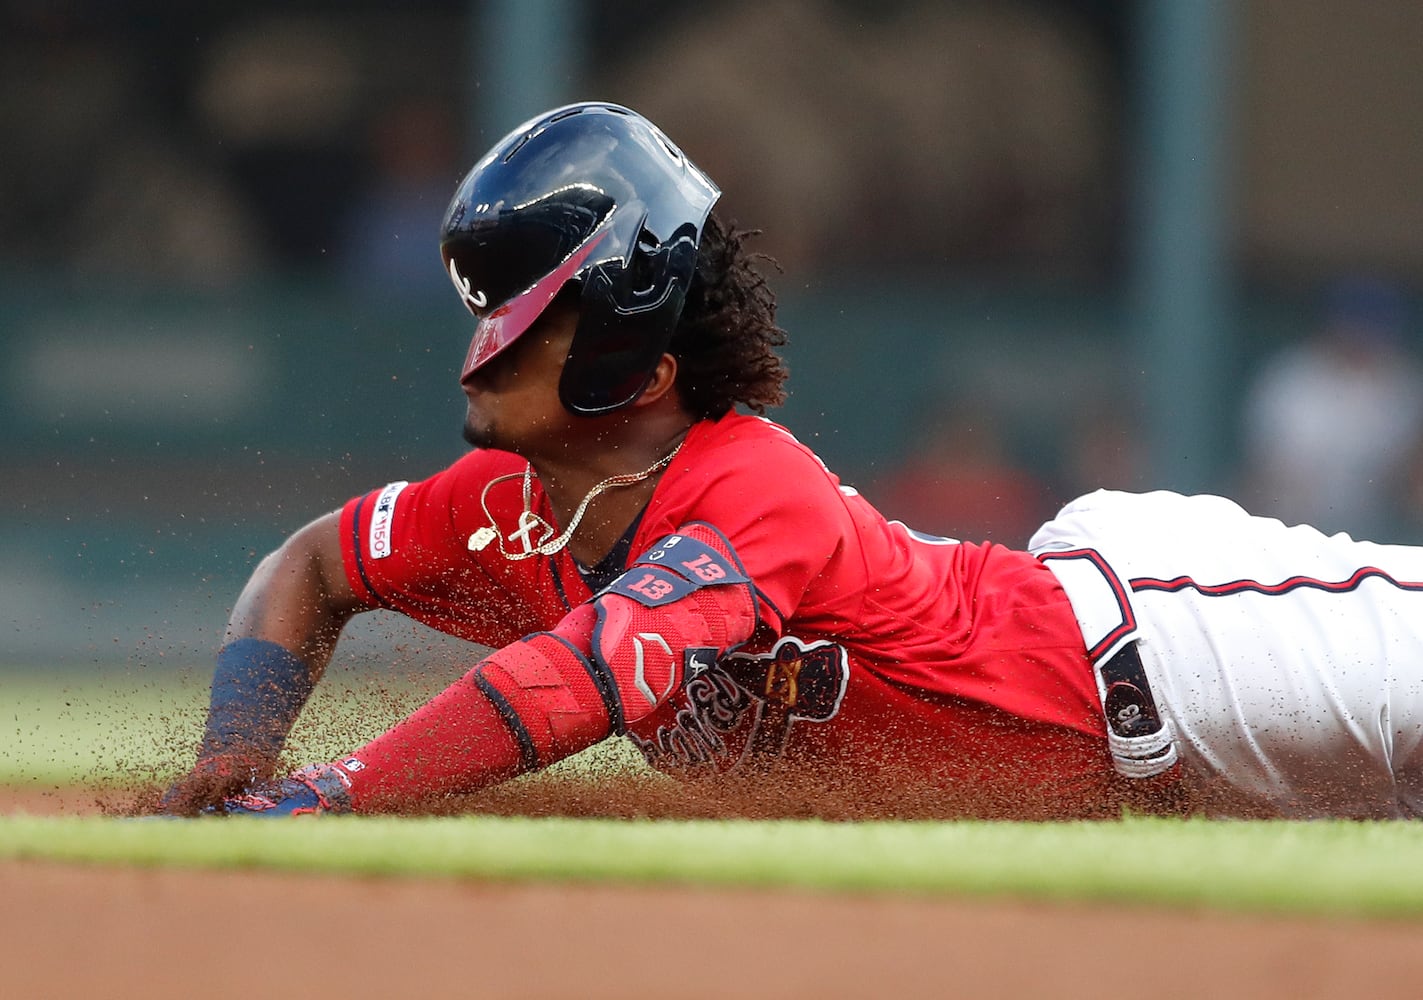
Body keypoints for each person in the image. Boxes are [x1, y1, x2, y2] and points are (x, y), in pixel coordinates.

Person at [162, 102, 1423, 822]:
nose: (481, 349)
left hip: (1178, 652)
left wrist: (329, 793)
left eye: (523, 325)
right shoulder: (496, 509)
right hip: (1147, 801)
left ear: (634, 367)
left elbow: (582, 679)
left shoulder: (744, 477)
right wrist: (235, 759)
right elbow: (306, 567)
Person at [1241, 277, 1423, 541]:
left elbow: (1407, 476)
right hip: (1299, 526)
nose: (1364, 339)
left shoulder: (1404, 384)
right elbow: (1279, 474)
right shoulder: (1293, 378)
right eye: (1355, 327)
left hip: (1384, 527)